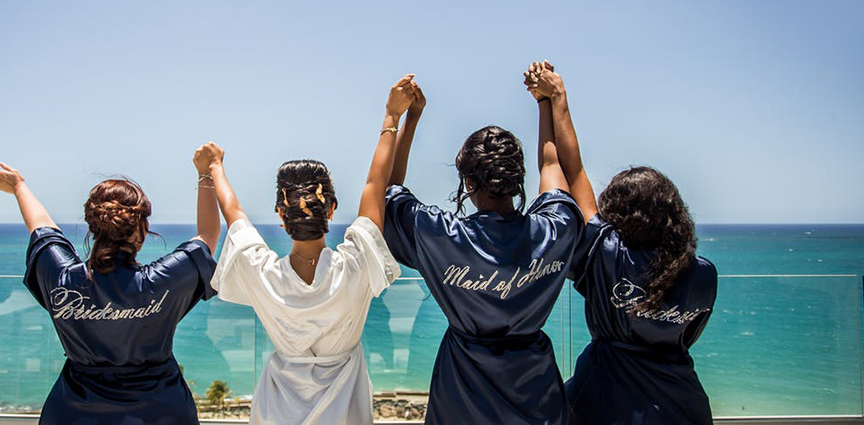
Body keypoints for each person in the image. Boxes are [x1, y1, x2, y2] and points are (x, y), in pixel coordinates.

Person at [205, 74, 417, 424]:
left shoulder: (263, 273)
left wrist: (214, 167)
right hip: (345, 408)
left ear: (280, 213)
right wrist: (393, 116)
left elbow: (234, 214)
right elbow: (376, 184)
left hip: (277, 408)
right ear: (331, 208)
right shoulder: (356, 263)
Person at [383, 72, 584, 425]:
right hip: (537, 399)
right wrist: (544, 103)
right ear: (517, 180)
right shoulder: (555, 231)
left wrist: (409, 118)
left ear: (469, 182)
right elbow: (553, 166)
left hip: (461, 398)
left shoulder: (442, 236)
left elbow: (386, 193)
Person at [526, 62, 717, 425]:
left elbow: (572, 170)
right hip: (681, 404)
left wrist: (552, 100)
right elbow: (687, 337)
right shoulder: (703, 274)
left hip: (604, 398)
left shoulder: (604, 255)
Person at [0, 153, 221, 425]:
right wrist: (206, 172)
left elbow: (42, 229)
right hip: (159, 412)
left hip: (72, 412)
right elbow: (207, 235)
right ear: (143, 227)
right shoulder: (159, 282)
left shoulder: (64, 281)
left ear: (93, 226)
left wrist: (19, 187)